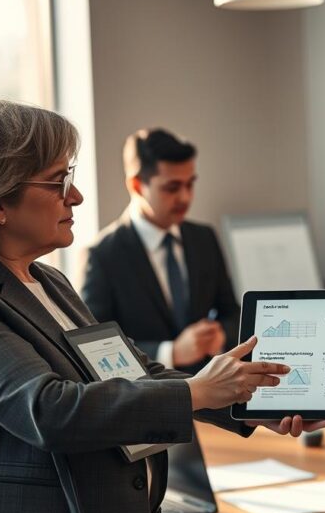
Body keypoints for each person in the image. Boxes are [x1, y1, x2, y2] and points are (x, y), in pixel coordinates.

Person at [0, 97, 325, 513]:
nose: (76, 196)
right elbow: (50, 410)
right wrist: (200, 392)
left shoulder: (48, 280)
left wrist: (253, 400)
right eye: (58, 181)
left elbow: (133, 374)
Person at [81, 128, 237, 375]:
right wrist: (170, 352)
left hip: (213, 394)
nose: (185, 197)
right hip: (148, 399)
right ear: (136, 185)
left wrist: (221, 334)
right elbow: (96, 349)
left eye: (190, 184)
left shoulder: (204, 238)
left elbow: (232, 312)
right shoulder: (102, 255)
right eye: (172, 187)